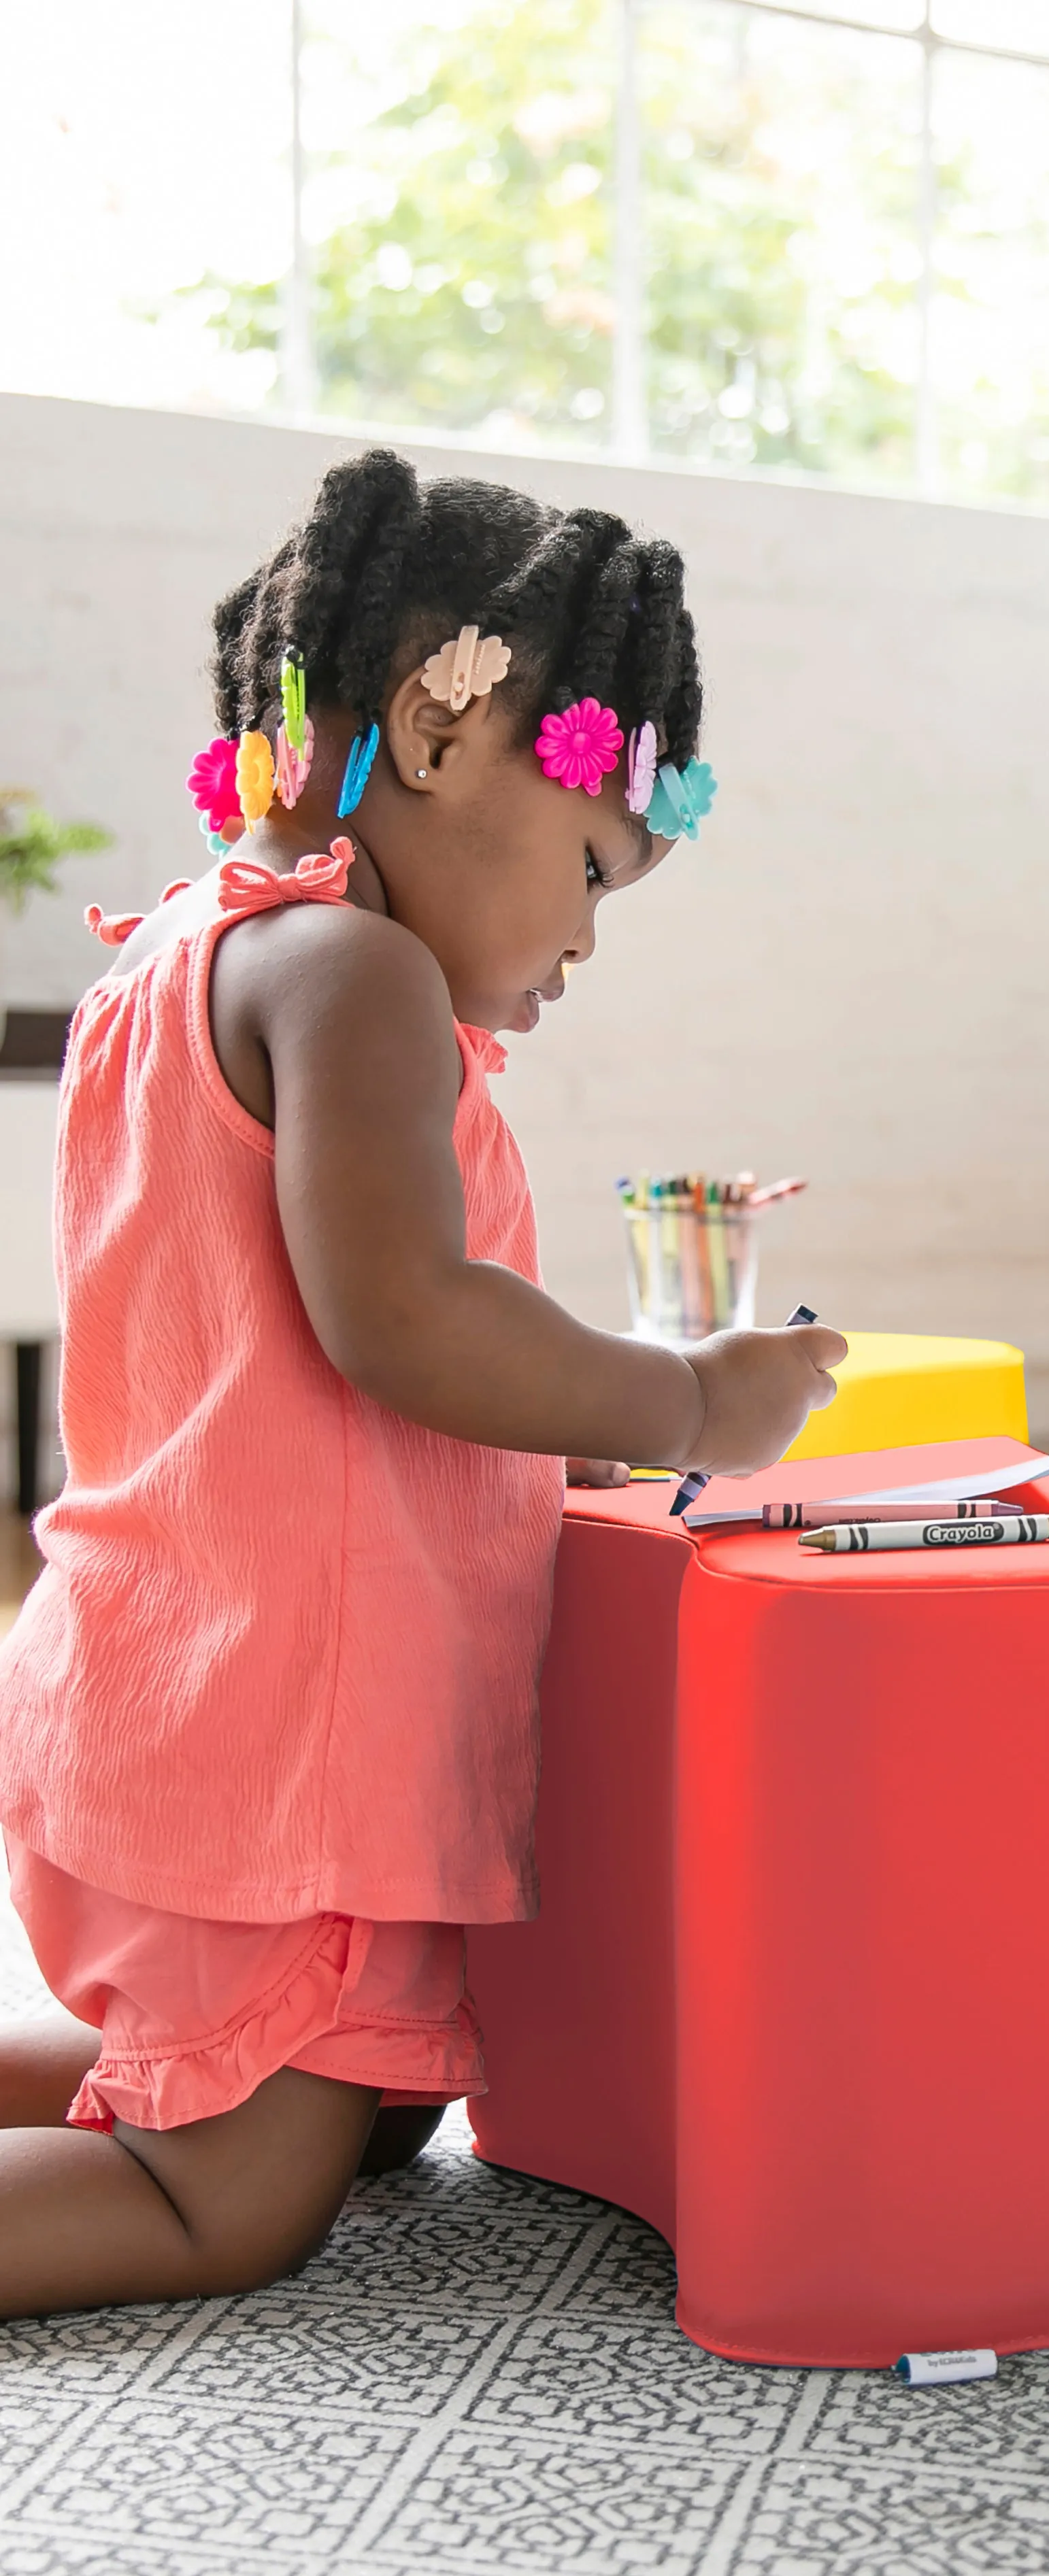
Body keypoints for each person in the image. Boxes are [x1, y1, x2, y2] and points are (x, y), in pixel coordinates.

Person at [0, 450, 844, 2318]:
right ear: (443, 732)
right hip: (264, 1735)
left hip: (175, 1677)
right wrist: (684, 1400)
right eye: (597, 871)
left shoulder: (179, 960)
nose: (587, 944)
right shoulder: (354, 975)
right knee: (228, 2201)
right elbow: (405, 1317)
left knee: (349, 2110)